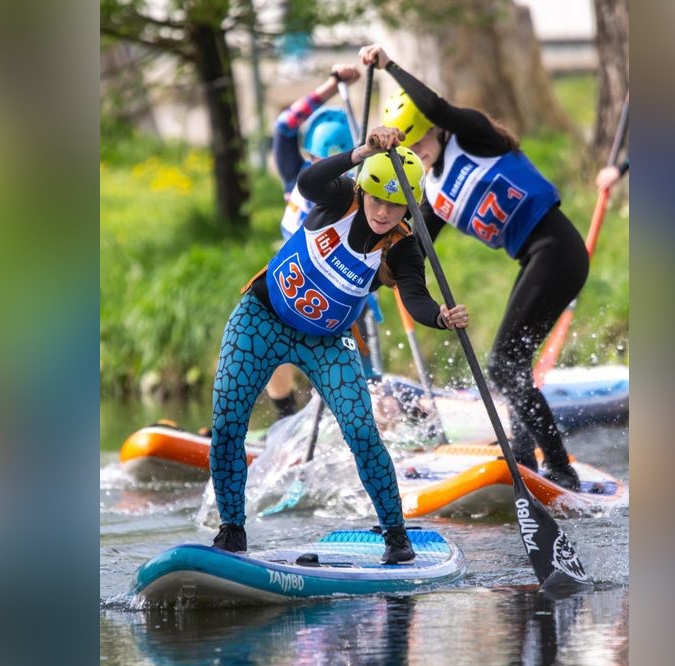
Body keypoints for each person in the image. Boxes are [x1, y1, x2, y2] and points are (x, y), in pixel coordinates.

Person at [209, 127, 469, 563]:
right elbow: (306, 183)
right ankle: (232, 530)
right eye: (377, 200)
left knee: (362, 432)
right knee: (227, 424)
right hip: (261, 318)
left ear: (408, 207)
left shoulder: (402, 245)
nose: (383, 212)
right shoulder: (341, 196)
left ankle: (396, 537)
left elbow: (416, 297)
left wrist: (441, 318)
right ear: (364, 191)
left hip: (327, 341)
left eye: (395, 204)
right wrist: (362, 152)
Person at [360, 44, 589, 490]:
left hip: (559, 249)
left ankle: (560, 467)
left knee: (503, 363)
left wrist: (388, 66)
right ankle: (523, 459)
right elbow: (415, 250)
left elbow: (437, 107)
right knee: (512, 363)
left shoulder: (474, 136)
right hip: (536, 258)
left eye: (418, 141)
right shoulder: (435, 190)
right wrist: (367, 275)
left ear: (435, 131)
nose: (415, 152)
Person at [266, 63, 363, 418]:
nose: (329, 168)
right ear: (311, 156)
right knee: (266, 343)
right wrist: (331, 86)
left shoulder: (356, 189)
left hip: (340, 287)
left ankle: (365, 419)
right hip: (293, 279)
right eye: (324, 159)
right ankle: (286, 417)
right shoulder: (296, 175)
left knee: (355, 369)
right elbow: (284, 125)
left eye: (337, 160)